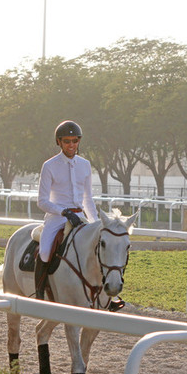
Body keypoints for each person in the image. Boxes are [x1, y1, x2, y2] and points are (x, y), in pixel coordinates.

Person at [35, 120, 123, 311]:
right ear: (59, 142)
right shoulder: (49, 166)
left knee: (101, 248)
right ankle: (40, 291)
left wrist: (95, 223)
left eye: (75, 141)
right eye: (67, 141)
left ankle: (108, 297)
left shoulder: (85, 165)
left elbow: (87, 199)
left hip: (80, 217)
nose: (71, 145)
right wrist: (63, 212)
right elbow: (42, 201)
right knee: (44, 251)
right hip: (57, 217)